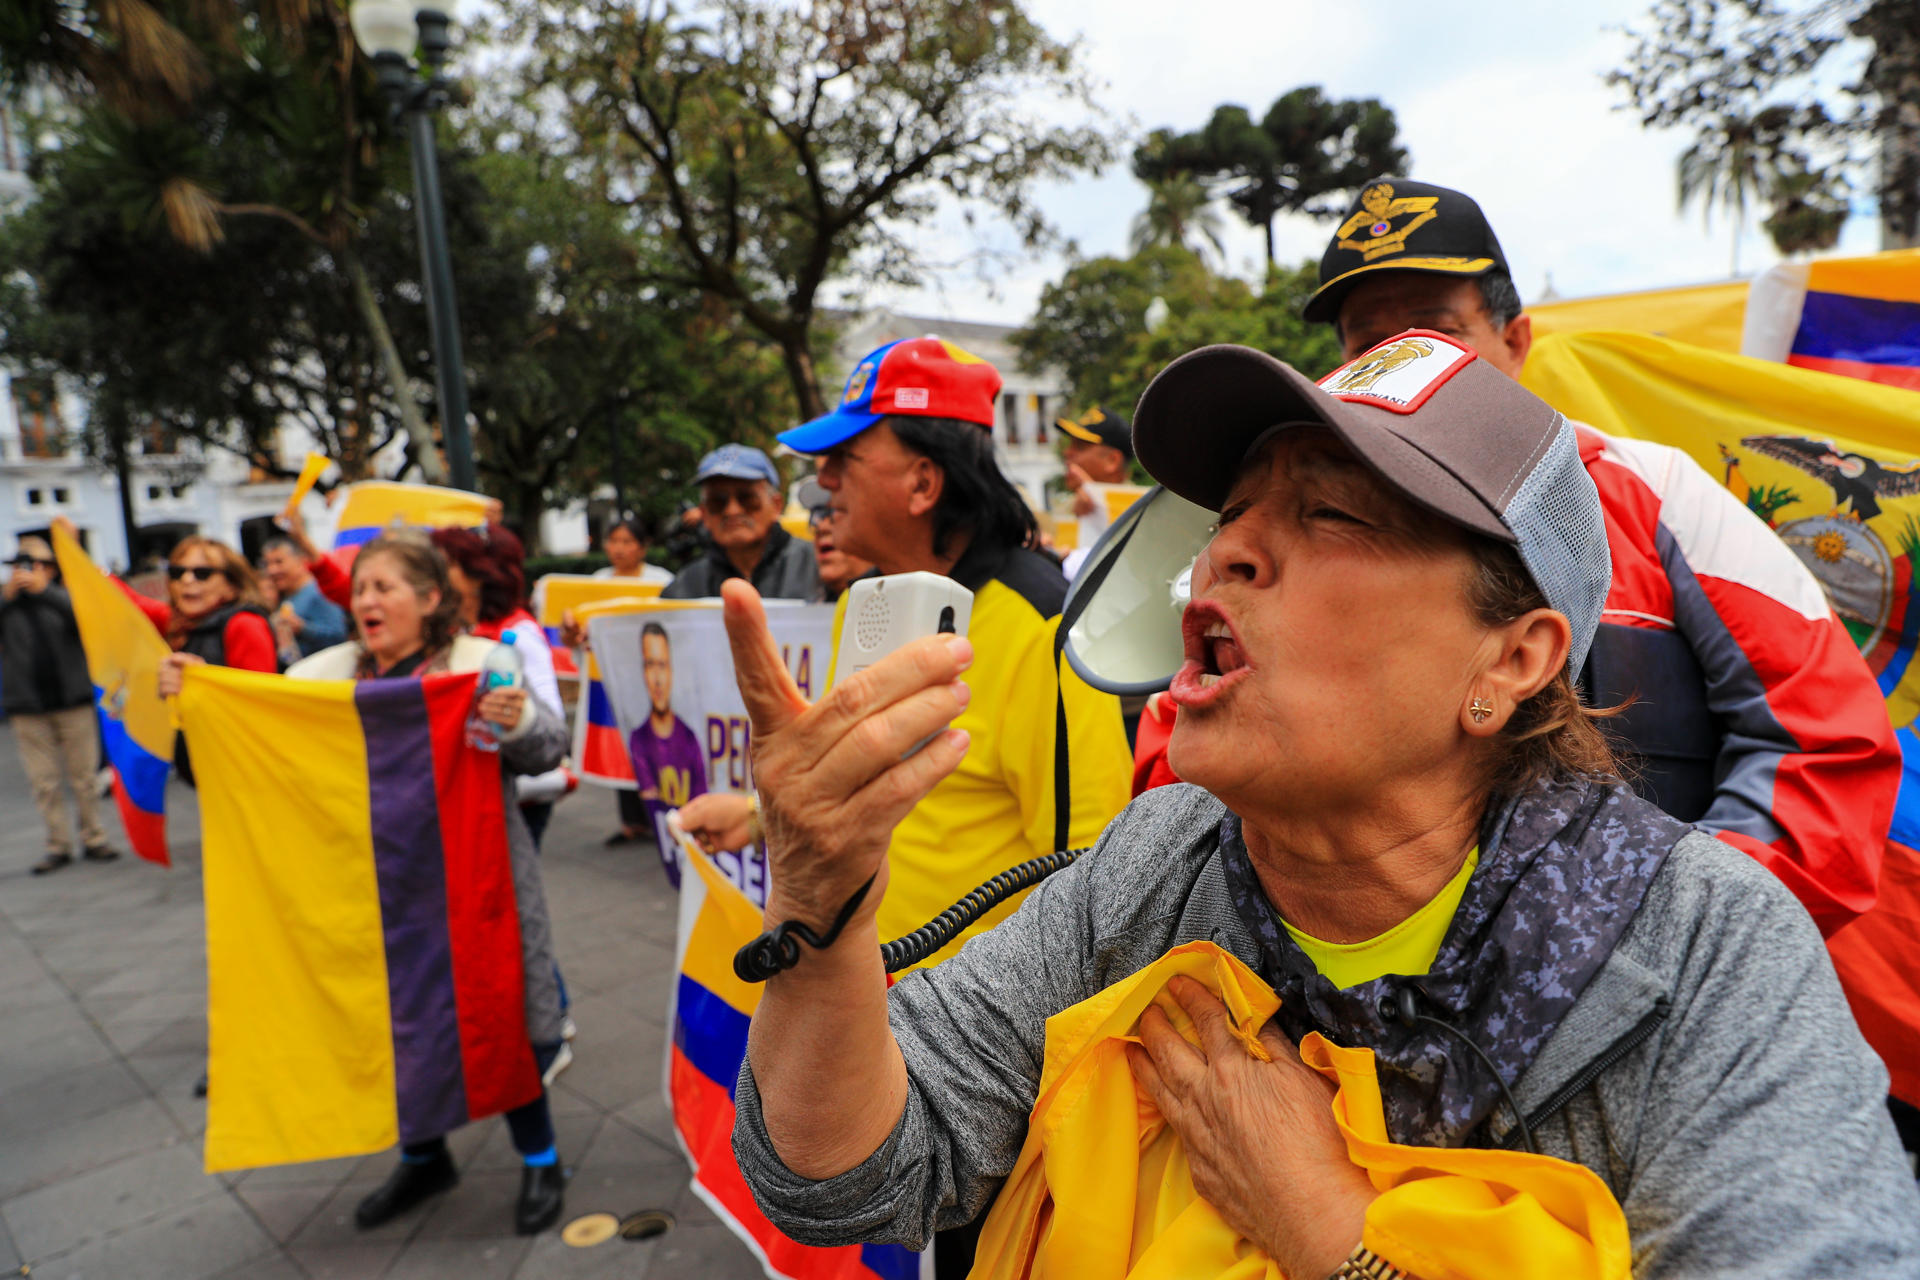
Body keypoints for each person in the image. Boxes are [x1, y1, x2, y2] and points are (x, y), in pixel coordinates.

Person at [723, 338, 1920, 1277]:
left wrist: (1336, 1234)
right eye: (1230, 515)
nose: (1225, 554)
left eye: (1333, 513)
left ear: (1512, 659)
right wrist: (824, 908)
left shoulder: (1708, 951)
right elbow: (848, 1177)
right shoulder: (1157, 863)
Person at [683, 336, 1132, 980]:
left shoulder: (1048, 627)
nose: (822, 481)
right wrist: (759, 817)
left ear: (922, 482)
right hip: (860, 991)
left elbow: (1089, 877)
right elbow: (869, 786)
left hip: (976, 1040)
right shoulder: (858, 602)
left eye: (842, 458)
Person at [276, 533, 570, 1236]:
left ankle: (542, 1158)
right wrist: (192, 696)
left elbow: (547, 749)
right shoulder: (320, 680)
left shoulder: (481, 666)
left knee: (502, 1016)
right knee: (396, 1021)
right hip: (375, 893)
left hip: (478, 886)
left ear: (430, 598)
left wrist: (518, 719)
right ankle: (422, 1157)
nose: (366, 600)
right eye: (361, 588)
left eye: (385, 586)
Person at [2, 536, 116, 874]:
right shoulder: (8, 605)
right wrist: (8, 597)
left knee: (84, 777)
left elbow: (85, 621)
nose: (28, 572)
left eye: (35, 565)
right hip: (27, 705)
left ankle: (94, 836)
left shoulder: (65, 597)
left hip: (72, 699)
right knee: (44, 782)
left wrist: (45, 591)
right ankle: (57, 844)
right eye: (21, 565)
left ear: (49, 569)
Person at [661, 445, 819, 600]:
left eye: (747, 499)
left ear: (776, 505)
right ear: (704, 514)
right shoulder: (684, 589)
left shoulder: (820, 568)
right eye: (717, 502)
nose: (732, 511)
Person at [627, 621, 707, 886]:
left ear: (672, 671)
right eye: (650, 665)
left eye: (662, 665)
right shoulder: (638, 740)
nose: (658, 679)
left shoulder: (690, 739)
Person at [1052, 405, 1134, 577]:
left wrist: (1098, 502)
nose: (1067, 453)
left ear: (1112, 461)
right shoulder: (1067, 508)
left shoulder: (1145, 508)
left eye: (1080, 447)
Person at [260, 534, 349, 660]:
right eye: (267, 564)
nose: (272, 570)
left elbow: (339, 636)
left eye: (279, 562)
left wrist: (302, 629)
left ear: (300, 561)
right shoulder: (284, 597)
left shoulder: (318, 592)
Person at [796, 477, 874, 602]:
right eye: (816, 515)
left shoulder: (906, 600)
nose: (821, 526)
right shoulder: (806, 608)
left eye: (835, 511)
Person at [594, 516, 673, 587]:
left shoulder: (662, 581)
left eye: (627, 542)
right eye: (613, 541)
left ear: (642, 548)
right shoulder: (598, 580)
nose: (619, 549)